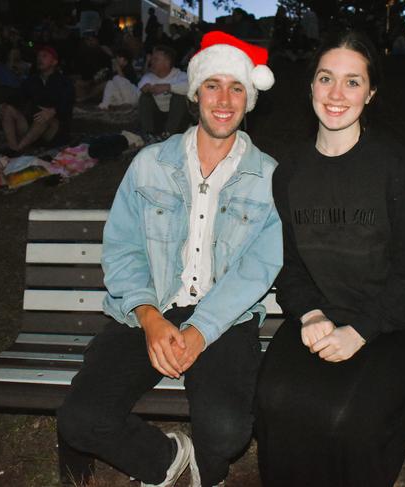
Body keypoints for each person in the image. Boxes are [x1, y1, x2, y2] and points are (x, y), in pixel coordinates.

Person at [57, 31, 280, 487]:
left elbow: (257, 269)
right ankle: (167, 460)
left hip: (224, 318)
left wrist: (200, 330)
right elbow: (123, 248)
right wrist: (148, 314)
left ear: (249, 99)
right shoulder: (150, 165)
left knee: (227, 432)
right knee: (80, 419)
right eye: (212, 85)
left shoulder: (270, 178)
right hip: (151, 306)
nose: (224, 99)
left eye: (236, 87)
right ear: (195, 92)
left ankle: (208, 466)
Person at [255, 31, 405, 487]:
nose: (337, 95)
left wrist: (360, 332)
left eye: (352, 82)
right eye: (325, 78)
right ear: (310, 87)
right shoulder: (290, 173)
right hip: (322, 315)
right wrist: (311, 313)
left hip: (394, 324)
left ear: (371, 92)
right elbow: (291, 267)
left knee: (346, 421)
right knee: (273, 402)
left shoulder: (394, 167)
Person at [0, 46, 74, 152]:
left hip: (54, 130)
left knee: (43, 117)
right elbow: (17, 97)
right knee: (7, 109)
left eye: (44, 56)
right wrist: (4, 104)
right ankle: (13, 146)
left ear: (54, 62)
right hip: (31, 128)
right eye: (38, 56)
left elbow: (67, 104)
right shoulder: (32, 80)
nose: (39, 59)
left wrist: (53, 111)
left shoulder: (64, 81)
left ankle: (17, 149)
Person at [137, 44, 190, 141]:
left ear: (167, 62)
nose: (151, 62)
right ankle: (148, 134)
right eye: (152, 59)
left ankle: (169, 134)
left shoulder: (179, 75)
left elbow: (191, 88)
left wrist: (168, 87)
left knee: (179, 97)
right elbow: (139, 90)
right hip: (158, 120)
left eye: (156, 59)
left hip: (177, 121)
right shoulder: (149, 77)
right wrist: (145, 89)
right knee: (145, 97)